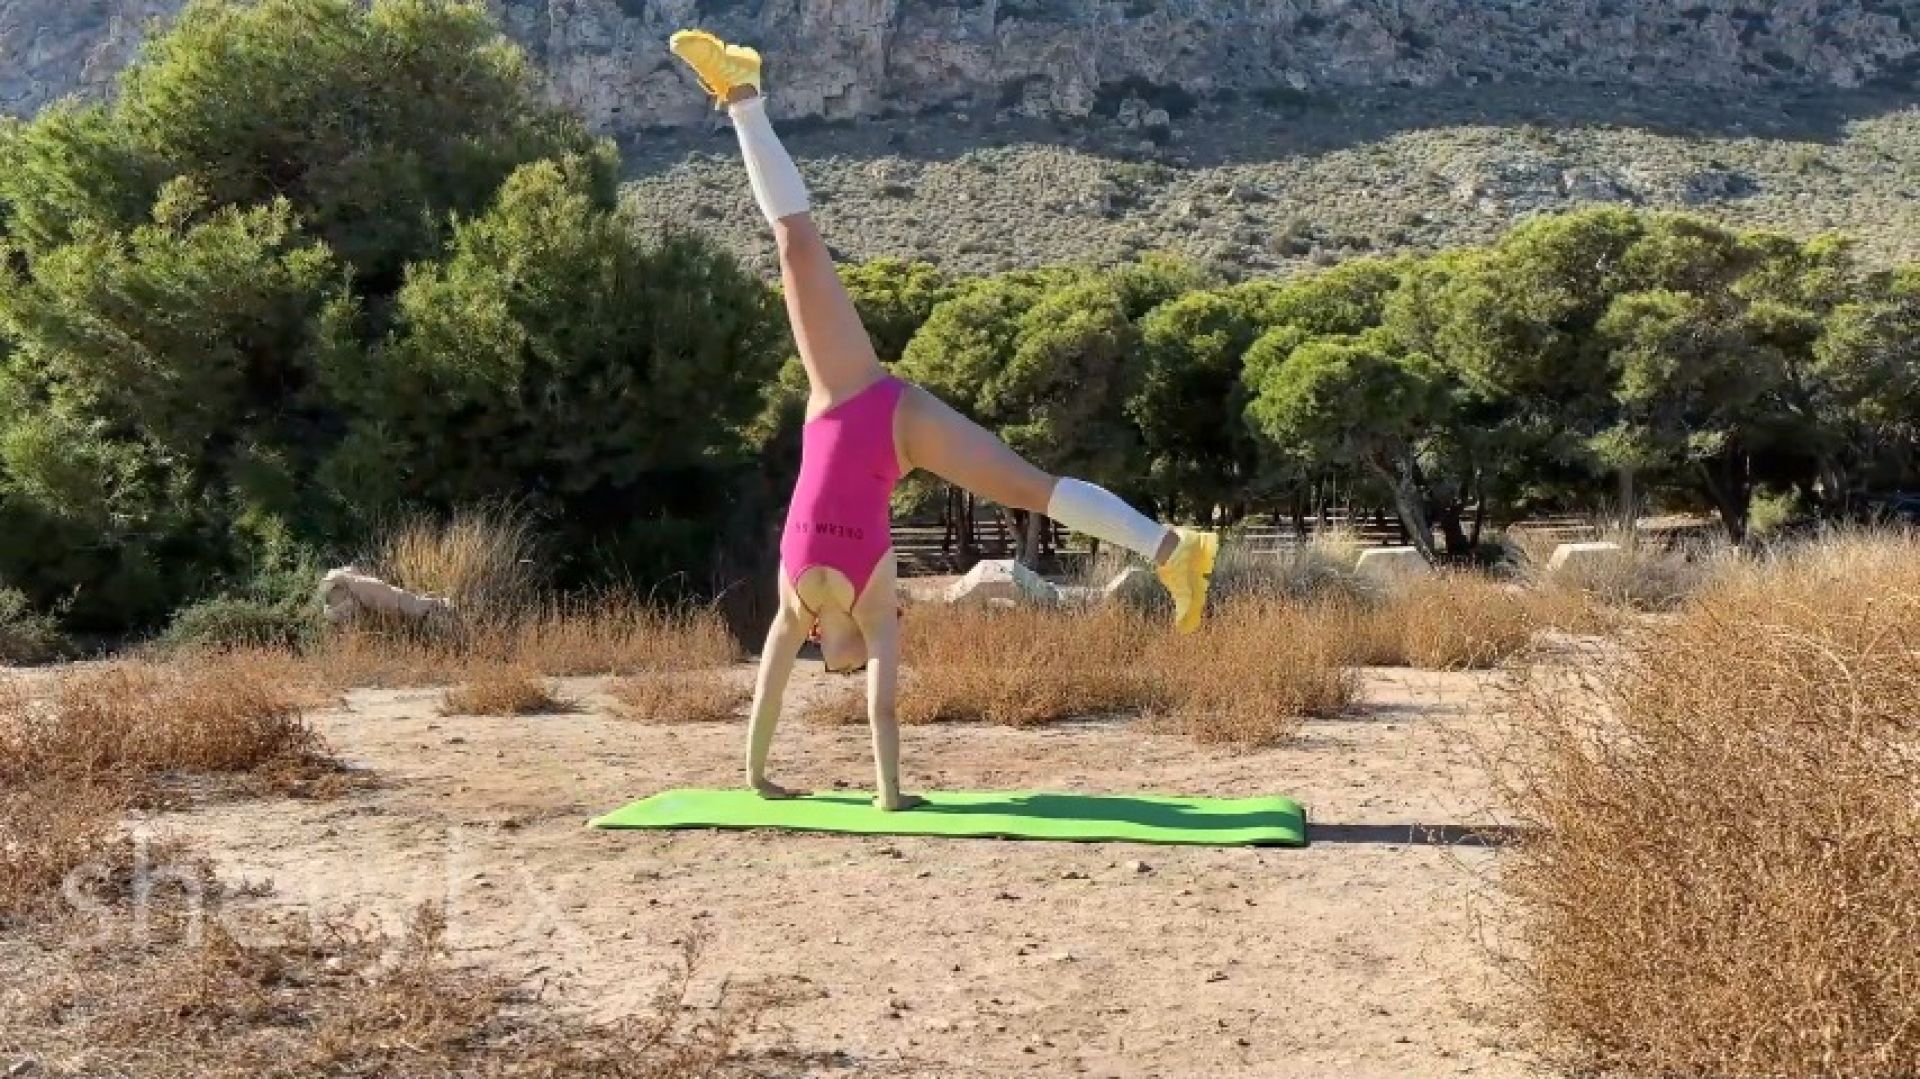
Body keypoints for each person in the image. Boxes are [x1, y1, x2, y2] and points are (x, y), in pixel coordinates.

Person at [668, 31, 1218, 811]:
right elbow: (884, 708)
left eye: (836, 655)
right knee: (1032, 488)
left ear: (820, 642)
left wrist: (755, 779)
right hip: (897, 423)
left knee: (795, 246)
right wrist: (889, 796)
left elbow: (767, 695)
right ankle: (1176, 549)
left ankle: (744, 95)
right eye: (852, 658)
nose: (846, 653)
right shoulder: (881, 604)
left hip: (847, 394)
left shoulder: (794, 609)